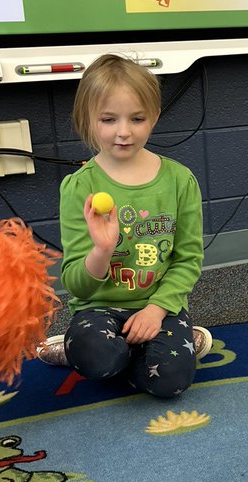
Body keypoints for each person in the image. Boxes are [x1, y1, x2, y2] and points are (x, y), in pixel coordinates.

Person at [38, 54, 210, 398]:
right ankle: (84, 348)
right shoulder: (79, 186)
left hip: (158, 304)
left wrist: (156, 310)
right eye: (108, 119)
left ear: (155, 117)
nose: (123, 132)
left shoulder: (180, 180)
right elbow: (77, 284)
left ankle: (169, 343)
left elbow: (188, 258)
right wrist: (102, 250)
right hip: (96, 308)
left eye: (137, 118)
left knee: (171, 382)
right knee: (98, 359)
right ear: (88, 120)